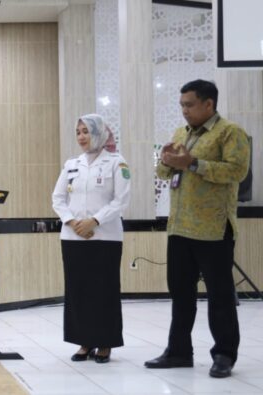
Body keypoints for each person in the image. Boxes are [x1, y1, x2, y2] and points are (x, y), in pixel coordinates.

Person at [145, 79, 250, 378]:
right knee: (180, 294)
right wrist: (165, 160)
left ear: (208, 104)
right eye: (182, 105)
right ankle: (178, 352)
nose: (184, 110)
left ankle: (224, 354)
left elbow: (237, 171)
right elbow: (165, 172)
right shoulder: (182, 133)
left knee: (220, 296)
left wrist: (192, 163)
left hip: (213, 228)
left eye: (189, 105)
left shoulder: (229, 132)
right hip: (179, 227)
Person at [52, 113, 130, 364]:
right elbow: (58, 198)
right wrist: (72, 222)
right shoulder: (71, 164)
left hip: (105, 238)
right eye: (78, 132)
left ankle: (105, 343)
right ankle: (84, 341)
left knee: (104, 291)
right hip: (73, 237)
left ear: (99, 133)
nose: (81, 137)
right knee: (79, 291)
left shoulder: (117, 163)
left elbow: (121, 201)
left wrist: (94, 221)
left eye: (86, 131)